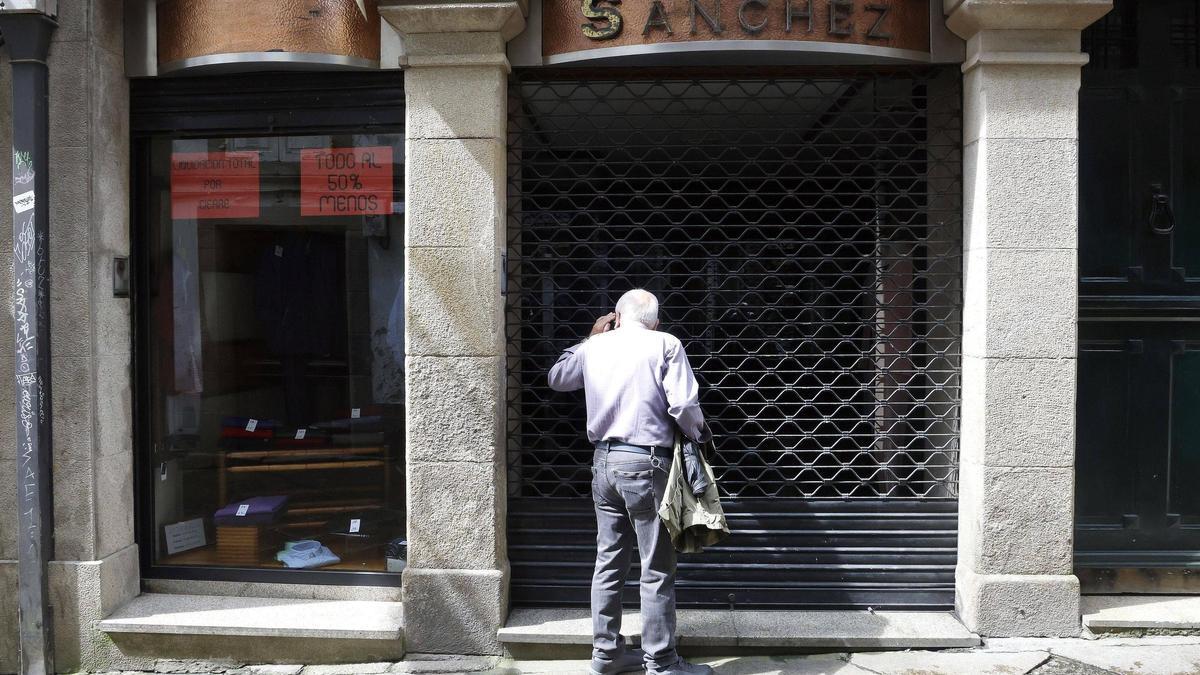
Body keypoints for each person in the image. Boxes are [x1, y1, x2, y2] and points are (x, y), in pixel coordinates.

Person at [548, 289, 713, 675]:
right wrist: (701, 435)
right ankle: (662, 662)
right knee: (655, 567)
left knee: (609, 561)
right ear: (654, 321)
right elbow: (684, 406)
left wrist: (591, 338)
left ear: (617, 318)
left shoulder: (595, 346)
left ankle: (606, 655)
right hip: (647, 463)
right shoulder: (665, 343)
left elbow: (557, 378)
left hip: (604, 463)